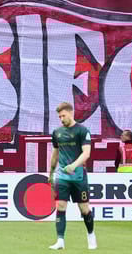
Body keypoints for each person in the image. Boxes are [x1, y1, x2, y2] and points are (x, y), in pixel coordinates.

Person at [48, 102, 96, 251]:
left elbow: (86, 153)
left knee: (84, 209)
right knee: (60, 206)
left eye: (63, 115)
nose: (61, 119)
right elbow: (55, 153)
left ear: (71, 113)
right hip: (62, 176)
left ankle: (91, 235)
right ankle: (60, 241)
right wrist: (51, 172)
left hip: (79, 176)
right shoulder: (57, 132)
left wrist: (73, 166)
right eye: (59, 116)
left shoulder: (82, 131)